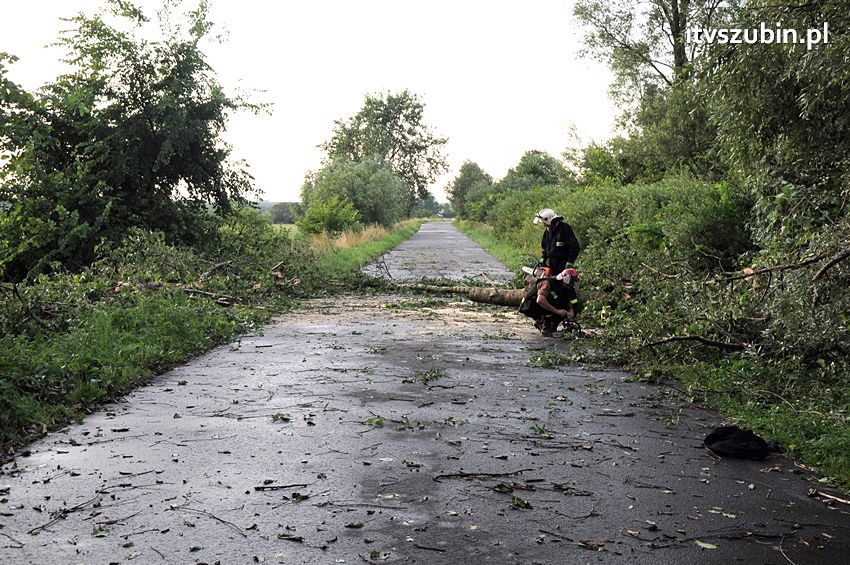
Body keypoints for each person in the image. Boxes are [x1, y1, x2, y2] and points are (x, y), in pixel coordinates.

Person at [534, 208, 580, 276]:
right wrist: (543, 257)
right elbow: (545, 247)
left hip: (563, 263)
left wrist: (570, 261)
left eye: (545, 223)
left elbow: (574, 247)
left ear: (550, 220)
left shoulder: (564, 228)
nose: (544, 225)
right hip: (552, 263)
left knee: (562, 283)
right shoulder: (547, 231)